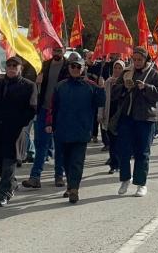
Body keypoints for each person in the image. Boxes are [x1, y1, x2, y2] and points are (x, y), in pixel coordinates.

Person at [46, 52, 105, 203]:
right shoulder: (60, 86)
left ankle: (74, 189)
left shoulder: (91, 86)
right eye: (72, 66)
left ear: (83, 68)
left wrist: (101, 88)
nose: (75, 69)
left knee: (77, 161)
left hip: (82, 130)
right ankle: (70, 185)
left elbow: (101, 102)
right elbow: (53, 107)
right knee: (65, 161)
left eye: (78, 66)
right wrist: (49, 123)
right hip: (62, 130)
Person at [111, 46, 158, 197]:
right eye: (134, 59)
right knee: (123, 150)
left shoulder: (153, 74)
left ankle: (141, 183)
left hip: (145, 118)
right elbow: (114, 92)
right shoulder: (126, 72)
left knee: (142, 152)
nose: (136, 62)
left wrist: (146, 87)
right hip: (126, 117)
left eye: (140, 60)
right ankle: (125, 179)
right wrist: (124, 87)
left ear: (145, 60)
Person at [0, 56, 37, 206]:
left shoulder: (29, 86)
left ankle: (3, 194)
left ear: (20, 68)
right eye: (9, 65)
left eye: (14, 66)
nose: (11, 68)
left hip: (16, 130)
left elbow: (32, 108)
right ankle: (12, 183)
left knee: (9, 161)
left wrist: (21, 122)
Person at [23, 46, 69, 189]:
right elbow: (31, 86)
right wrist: (37, 82)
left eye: (59, 50)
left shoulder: (69, 67)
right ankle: (35, 177)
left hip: (60, 112)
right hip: (43, 109)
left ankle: (59, 176)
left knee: (60, 144)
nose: (56, 53)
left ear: (64, 50)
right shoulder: (44, 65)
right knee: (41, 144)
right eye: (55, 50)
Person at [101, 59, 125, 174]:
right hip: (109, 113)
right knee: (112, 141)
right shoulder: (108, 82)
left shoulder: (125, 82)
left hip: (121, 115)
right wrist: (100, 114)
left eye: (120, 68)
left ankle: (121, 162)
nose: (117, 70)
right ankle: (114, 165)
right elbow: (103, 99)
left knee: (121, 141)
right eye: (115, 68)